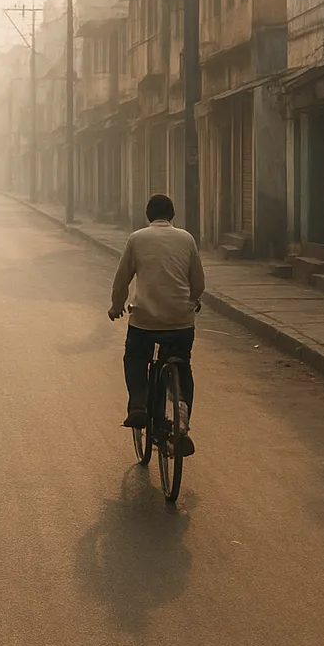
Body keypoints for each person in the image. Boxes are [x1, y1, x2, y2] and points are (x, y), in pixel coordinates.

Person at [109, 193, 205, 456]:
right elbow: (198, 282)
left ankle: (138, 405)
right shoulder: (187, 239)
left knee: (135, 358)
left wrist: (116, 307)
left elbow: (122, 281)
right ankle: (181, 421)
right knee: (182, 365)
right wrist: (194, 299)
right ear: (172, 215)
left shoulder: (137, 239)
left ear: (148, 215)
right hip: (180, 320)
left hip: (145, 320)